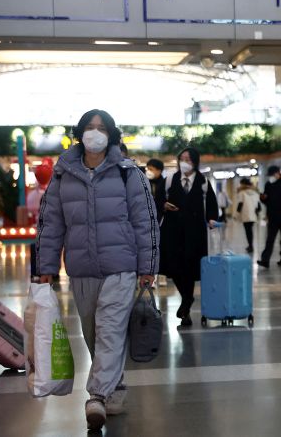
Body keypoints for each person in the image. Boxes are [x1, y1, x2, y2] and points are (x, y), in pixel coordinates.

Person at [36, 109, 159, 430]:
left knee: (111, 329)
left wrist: (147, 266)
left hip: (121, 266)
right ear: (80, 133)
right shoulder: (64, 174)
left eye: (101, 128)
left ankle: (96, 397)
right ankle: (114, 387)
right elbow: (51, 224)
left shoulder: (127, 172)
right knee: (94, 332)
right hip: (80, 268)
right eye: (89, 128)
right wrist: (44, 267)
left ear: (111, 134)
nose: (94, 133)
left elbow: (145, 222)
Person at [158, 147, 219, 326]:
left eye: (189, 159)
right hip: (172, 230)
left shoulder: (203, 182)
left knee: (190, 268)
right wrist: (164, 205)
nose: (185, 162)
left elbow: (211, 204)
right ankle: (187, 299)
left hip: (194, 232)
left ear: (195, 162)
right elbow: (157, 199)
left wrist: (212, 219)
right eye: (182, 158)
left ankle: (185, 309)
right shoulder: (170, 179)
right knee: (175, 268)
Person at [236, 178, 261, 253]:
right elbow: (259, 206)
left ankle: (250, 246)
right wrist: (256, 213)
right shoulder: (256, 192)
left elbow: (240, 204)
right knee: (250, 230)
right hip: (253, 215)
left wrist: (236, 215)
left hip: (245, 214)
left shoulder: (241, 193)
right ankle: (250, 245)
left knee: (248, 231)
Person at [144, 158, 166, 224]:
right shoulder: (143, 182)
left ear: (159, 171)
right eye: (147, 169)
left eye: (151, 169)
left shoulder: (164, 184)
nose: (148, 171)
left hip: (158, 217)